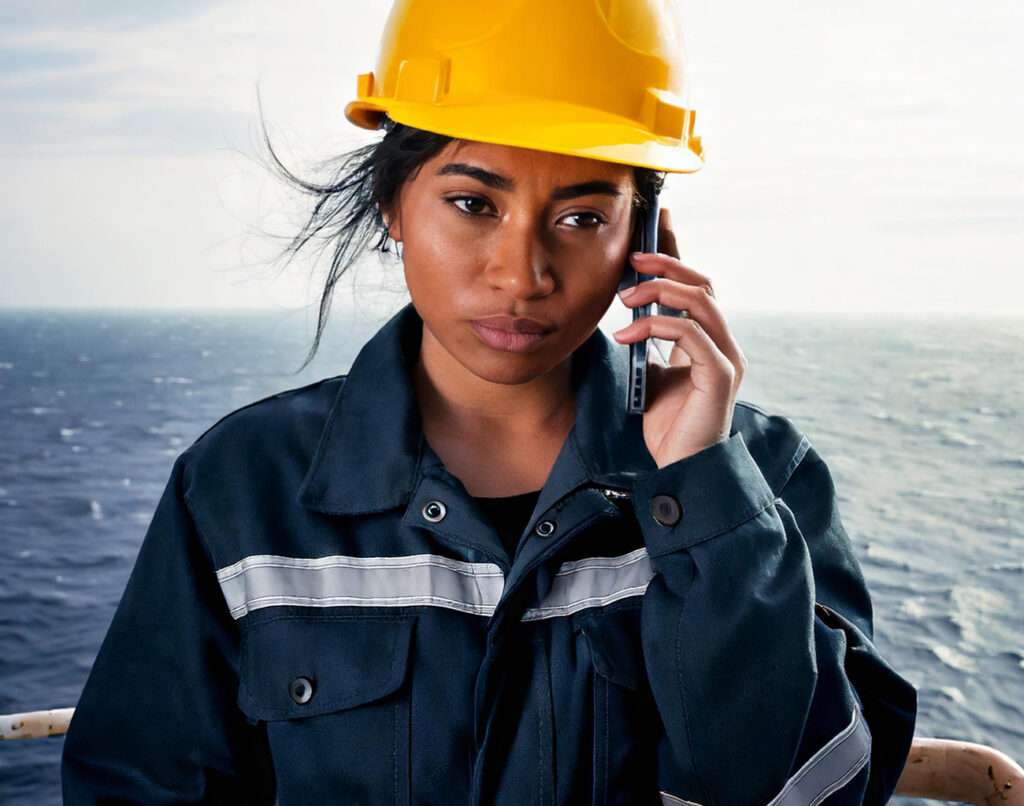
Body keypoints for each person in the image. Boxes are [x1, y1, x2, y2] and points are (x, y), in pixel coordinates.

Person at [61, 1, 918, 803]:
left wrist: (704, 493)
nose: (523, 274)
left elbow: (819, 790)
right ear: (391, 203)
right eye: (473, 204)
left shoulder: (760, 484)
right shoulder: (243, 488)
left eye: (582, 218)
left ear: (645, 241)